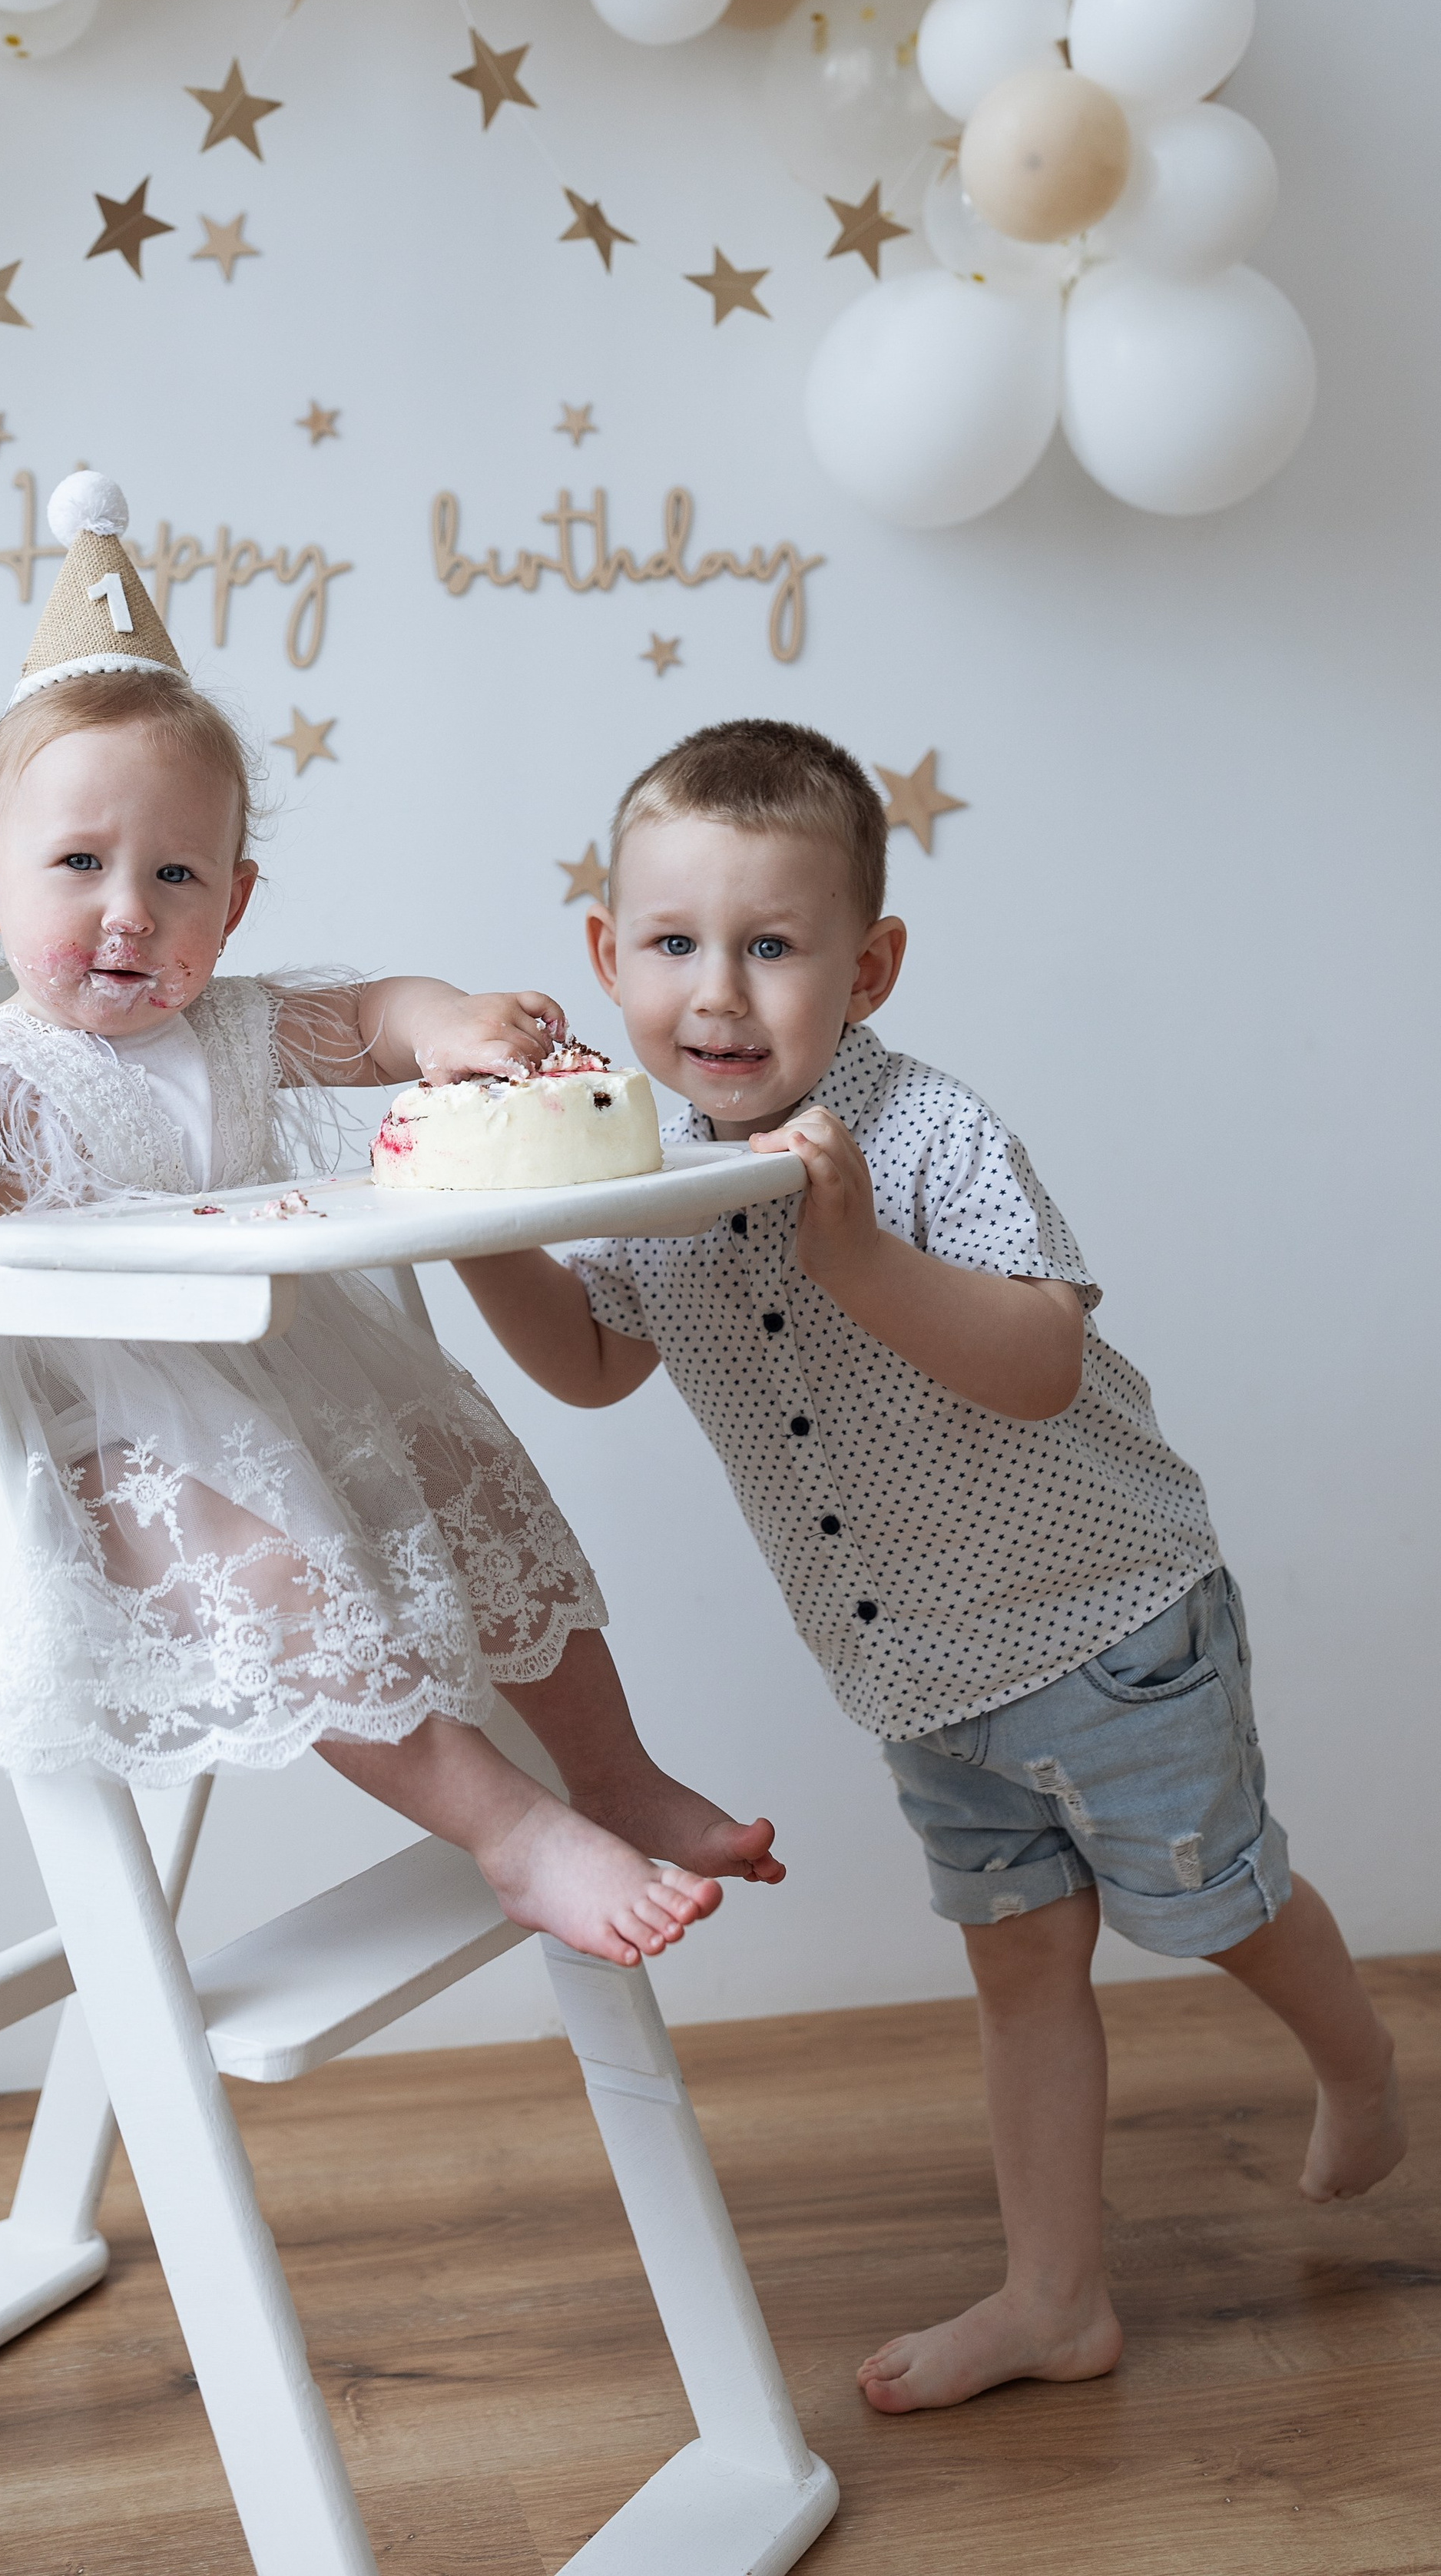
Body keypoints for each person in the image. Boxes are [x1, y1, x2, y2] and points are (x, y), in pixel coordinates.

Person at [452, 714, 1405, 2412]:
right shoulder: (638, 1173)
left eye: (770, 946)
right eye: (672, 945)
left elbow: (1034, 1364)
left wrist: (856, 1252)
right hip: (917, 1676)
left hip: (1107, 1618)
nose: (717, 995)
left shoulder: (928, 1137)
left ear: (866, 967)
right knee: (1019, 1972)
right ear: (605, 959)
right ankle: (1056, 2298)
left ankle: (1357, 2060)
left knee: (1219, 1913)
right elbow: (592, 1363)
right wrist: (485, 1227)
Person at [0, 473, 782, 1975]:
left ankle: (613, 1769)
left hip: (273, 1378)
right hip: (87, 1435)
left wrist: (444, 1026)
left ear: (233, 904)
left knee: (469, 1471)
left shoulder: (235, 1028)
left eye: (175, 874)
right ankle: (507, 1827)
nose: (129, 909)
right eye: (78, 867)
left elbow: (374, 1014)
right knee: (285, 1588)